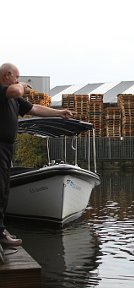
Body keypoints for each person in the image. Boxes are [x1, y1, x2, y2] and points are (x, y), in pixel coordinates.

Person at [0, 63, 73, 246]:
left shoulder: (14, 99)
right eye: (16, 77)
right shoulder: (5, 91)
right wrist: (22, 86)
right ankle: (0, 233)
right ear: (7, 75)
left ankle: (0, 231)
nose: (18, 81)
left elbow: (34, 109)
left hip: (7, 148)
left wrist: (59, 113)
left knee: (4, 189)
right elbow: (16, 91)